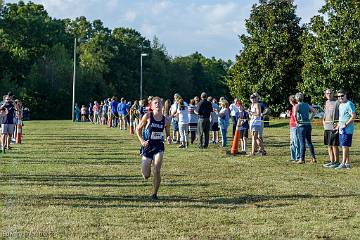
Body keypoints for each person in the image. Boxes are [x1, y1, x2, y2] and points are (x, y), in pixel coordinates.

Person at [136, 97, 171, 200]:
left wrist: (168, 137)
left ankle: (154, 194)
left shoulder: (166, 120)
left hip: (158, 146)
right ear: (151, 106)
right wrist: (142, 141)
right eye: (155, 103)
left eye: (159, 103)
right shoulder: (148, 116)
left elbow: (168, 133)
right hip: (147, 146)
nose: (158, 105)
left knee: (157, 169)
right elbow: (138, 129)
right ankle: (146, 171)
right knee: (146, 175)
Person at [335, 89, 356, 169]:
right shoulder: (340, 105)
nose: (340, 97)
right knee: (344, 146)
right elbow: (341, 118)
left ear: (345, 95)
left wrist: (345, 124)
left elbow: (353, 116)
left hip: (347, 129)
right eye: (339, 96)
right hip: (341, 128)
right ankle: (347, 163)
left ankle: (343, 163)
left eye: (342, 96)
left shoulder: (349, 104)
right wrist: (338, 126)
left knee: (344, 146)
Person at [294, 92, 317, 164]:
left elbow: (294, 114)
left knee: (302, 142)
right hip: (308, 125)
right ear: (303, 98)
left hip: (301, 126)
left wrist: (297, 121)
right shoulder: (307, 105)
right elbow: (314, 111)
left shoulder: (297, 105)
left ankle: (302, 159)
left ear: (296, 98)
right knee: (309, 142)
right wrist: (310, 119)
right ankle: (313, 158)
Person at [322, 89, 340, 168]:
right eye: (327, 93)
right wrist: (323, 121)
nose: (329, 94)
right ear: (325, 94)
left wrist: (338, 125)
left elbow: (341, 114)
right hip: (327, 127)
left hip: (334, 127)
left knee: (334, 145)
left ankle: (337, 162)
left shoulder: (337, 102)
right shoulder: (326, 102)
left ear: (333, 94)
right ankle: (331, 161)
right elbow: (325, 114)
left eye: (330, 93)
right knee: (329, 145)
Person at [289, 95, 300, 161]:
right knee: (292, 142)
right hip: (292, 126)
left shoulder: (296, 106)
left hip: (295, 126)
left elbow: (296, 116)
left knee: (296, 142)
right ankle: (293, 157)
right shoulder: (293, 107)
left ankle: (297, 157)